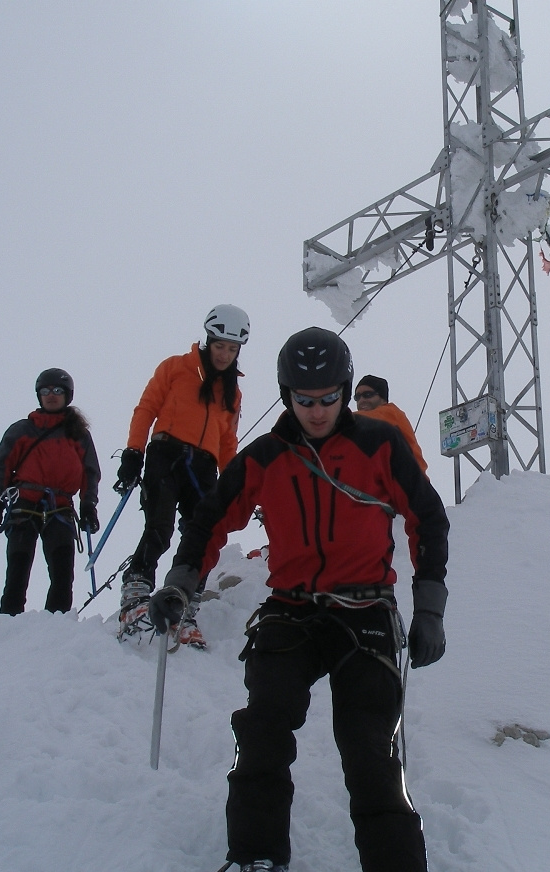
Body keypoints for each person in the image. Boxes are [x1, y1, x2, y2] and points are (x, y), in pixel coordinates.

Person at [149, 327, 449, 872]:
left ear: (346, 389)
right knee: (263, 725)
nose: (316, 411)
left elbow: (427, 517)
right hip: (291, 609)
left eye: (329, 398)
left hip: (366, 610)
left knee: (368, 748)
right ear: (287, 395)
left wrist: (429, 608)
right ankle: (255, 858)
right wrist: (180, 584)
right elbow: (210, 518)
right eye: (304, 400)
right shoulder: (266, 456)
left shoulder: (379, 446)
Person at [113, 304, 250, 646]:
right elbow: (146, 408)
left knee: (199, 534)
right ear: (208, 341)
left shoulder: (232, 393)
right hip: (166, 453)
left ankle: (184, 603)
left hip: (203, 465)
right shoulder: (176, 368)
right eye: (220, 346)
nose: (225, 354)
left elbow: (227, 441)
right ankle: (136, 591)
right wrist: (134, 451)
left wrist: (233, 482)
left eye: (232, 349)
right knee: (158, 526)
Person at [0, 368, 101, 615]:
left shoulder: (78, 434)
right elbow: (1, 467)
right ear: (38, 396)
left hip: (60, 506)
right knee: (18, 567)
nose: (51, 395)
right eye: (45, 391)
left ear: (68, 395)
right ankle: (8, 622)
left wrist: (88, 505)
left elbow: (90, 472)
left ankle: (56, 626)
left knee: (62, 572)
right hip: (25, 502)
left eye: (57, 391)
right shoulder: (23, 430)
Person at [352, 374, 428, 473]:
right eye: (357, 397)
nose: (361, 400)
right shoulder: (367, 428)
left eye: (368, 395)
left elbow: (352, 421)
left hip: (412, 480)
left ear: (383, 399)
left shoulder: (390, 413)